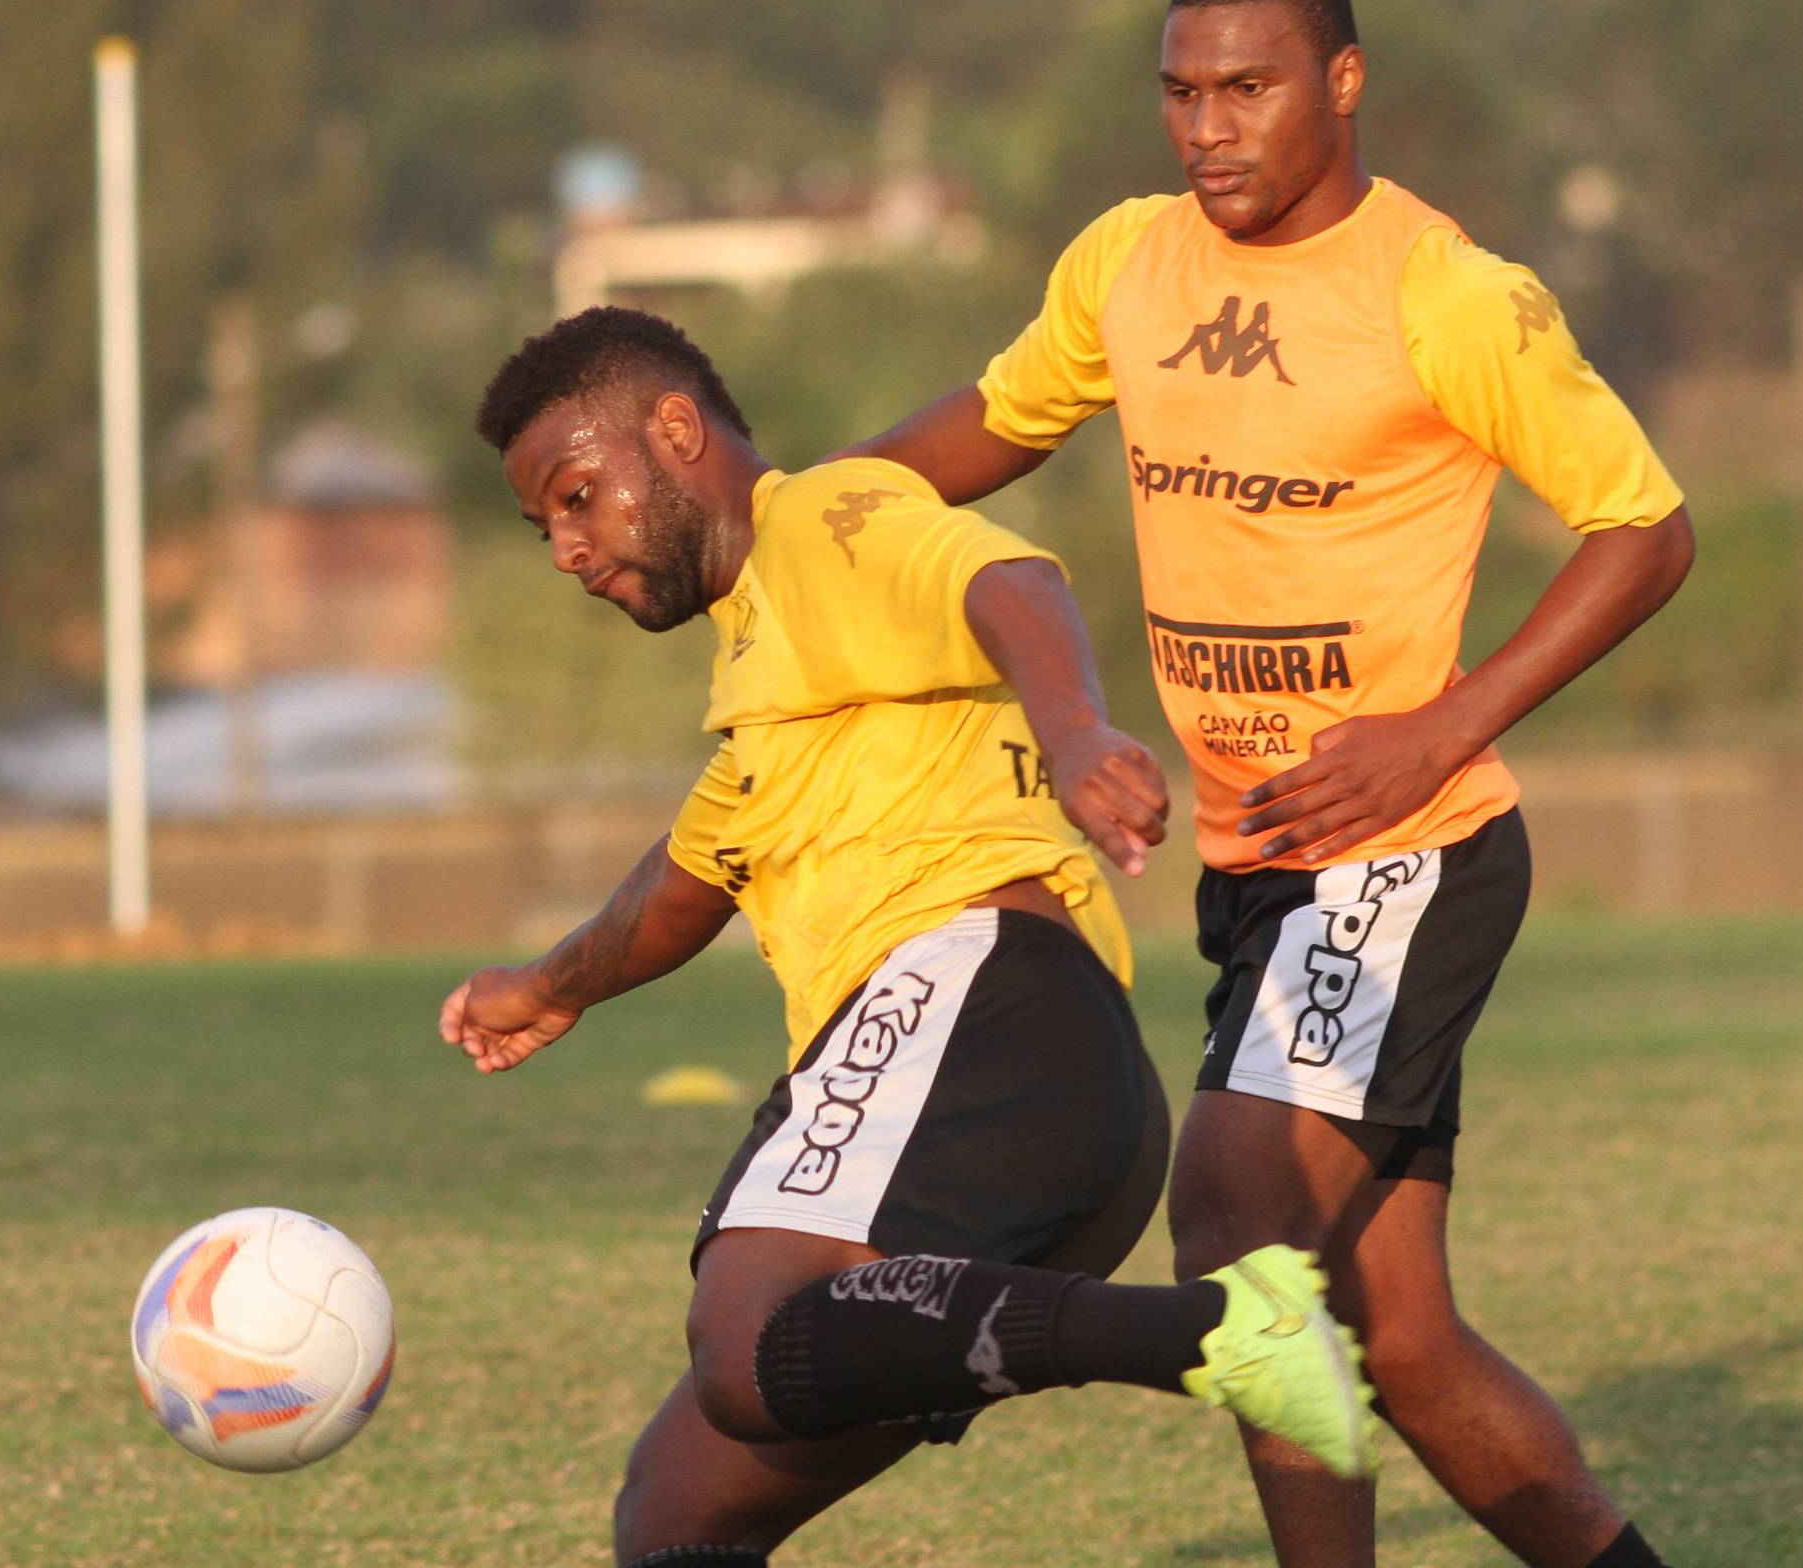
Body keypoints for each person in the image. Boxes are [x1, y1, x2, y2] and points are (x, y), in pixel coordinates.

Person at [839, 0, 1694, 1568]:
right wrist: (803, 511)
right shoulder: (1129, 265)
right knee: (1400, 1341)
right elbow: (999, 422)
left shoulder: (1451, 294)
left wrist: (1443, 720)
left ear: (1344, 84)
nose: (1208, 125)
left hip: (1409, 851)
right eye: (1180, 92)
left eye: (1247, 86)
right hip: (1257, 869)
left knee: (1231, 1215)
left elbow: (1644, 530)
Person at [441, 304, 1383, 1568]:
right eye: (542, 522)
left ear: (674, 431)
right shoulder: (772, 691)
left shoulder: (822, 520)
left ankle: (1213, 1332)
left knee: (743, 1333)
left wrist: (1074, 734)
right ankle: (1205, 1332)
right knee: (677, 1505)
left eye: (577, 495)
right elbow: (679, 882)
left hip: (981, 1001)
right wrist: (546, 988)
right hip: (1035, 1097)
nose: (564, 546)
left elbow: (1011, 579)